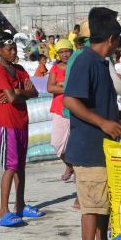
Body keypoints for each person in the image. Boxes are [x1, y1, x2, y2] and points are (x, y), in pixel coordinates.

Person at [63, 8, 121, 240]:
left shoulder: (100, 63)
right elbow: (71, 100)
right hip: (89, 149)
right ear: (111, 39)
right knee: (91, 206)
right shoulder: (86, 61)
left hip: (102, 148)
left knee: (102, 205)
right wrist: (103, 122)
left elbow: (100, 102)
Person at [0, 35, 42, 227]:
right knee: (10, 166)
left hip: (21, 121)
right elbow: (11, 98)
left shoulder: (19, 69)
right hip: (8, 123)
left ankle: (20, 205)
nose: (13, 52)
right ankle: (3, 210)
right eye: (9, 49)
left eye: (14, 48)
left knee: (20, 166)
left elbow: (33, 92)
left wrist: (19, 92)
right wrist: (18, 93)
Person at [47, 38, 75, 183]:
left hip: (76, 109)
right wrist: (67, 87)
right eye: (61, 52)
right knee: (57, 143)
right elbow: (50, 87)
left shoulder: (76, 65)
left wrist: (61, 85)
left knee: (75, 143)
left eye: (67, 51)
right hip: (59, 109)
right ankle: (70, 165)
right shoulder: (55, 68)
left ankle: (77, 170)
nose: (64, 54)